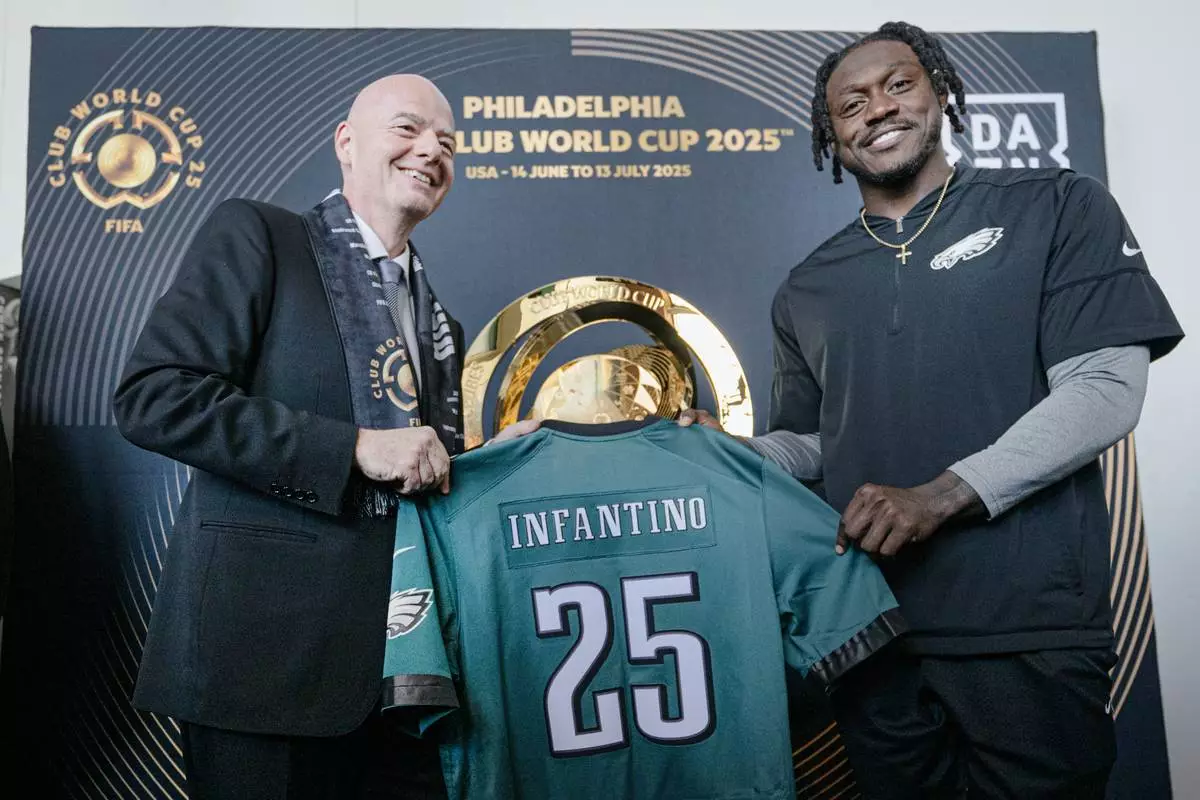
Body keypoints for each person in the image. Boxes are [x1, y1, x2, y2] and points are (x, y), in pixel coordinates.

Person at [680, 21, 1184, 799]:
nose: (877, 109)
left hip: (1027, 623)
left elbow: (1104, 389)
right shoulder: (808, 285)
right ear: (830, 134)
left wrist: (939, 496)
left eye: (898, 85)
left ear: (941, 93)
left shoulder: (1057, 206)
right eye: (851, 104)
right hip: (870, 627)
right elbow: (813, 443)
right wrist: (725, 452)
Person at [112, 74, 534, 800]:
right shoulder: (262, 237)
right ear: (346, 142)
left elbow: (419, 474)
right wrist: (354, 447)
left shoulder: (440, 324)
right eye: (408, 129)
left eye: (447, 142)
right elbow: (155, 396)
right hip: (263, 669)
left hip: (408, 680)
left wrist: (503, 457)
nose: (431, 150)